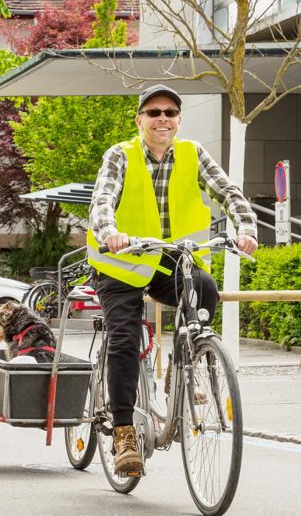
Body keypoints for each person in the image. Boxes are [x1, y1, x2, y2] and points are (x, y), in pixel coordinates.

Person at [87, 84, 258, 475]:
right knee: (126, 339)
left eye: (169, 112)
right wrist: (110, 230)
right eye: (153, 112)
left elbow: (227, 190)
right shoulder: (121, 155)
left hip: (169, 260)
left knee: (206, 288)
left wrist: (246, 226)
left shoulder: (193, 153)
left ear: (179, 120)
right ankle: (125, 431)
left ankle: (182, 368)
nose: (162, 119)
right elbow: (102, 199)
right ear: (140, 120)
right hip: (121, 263)